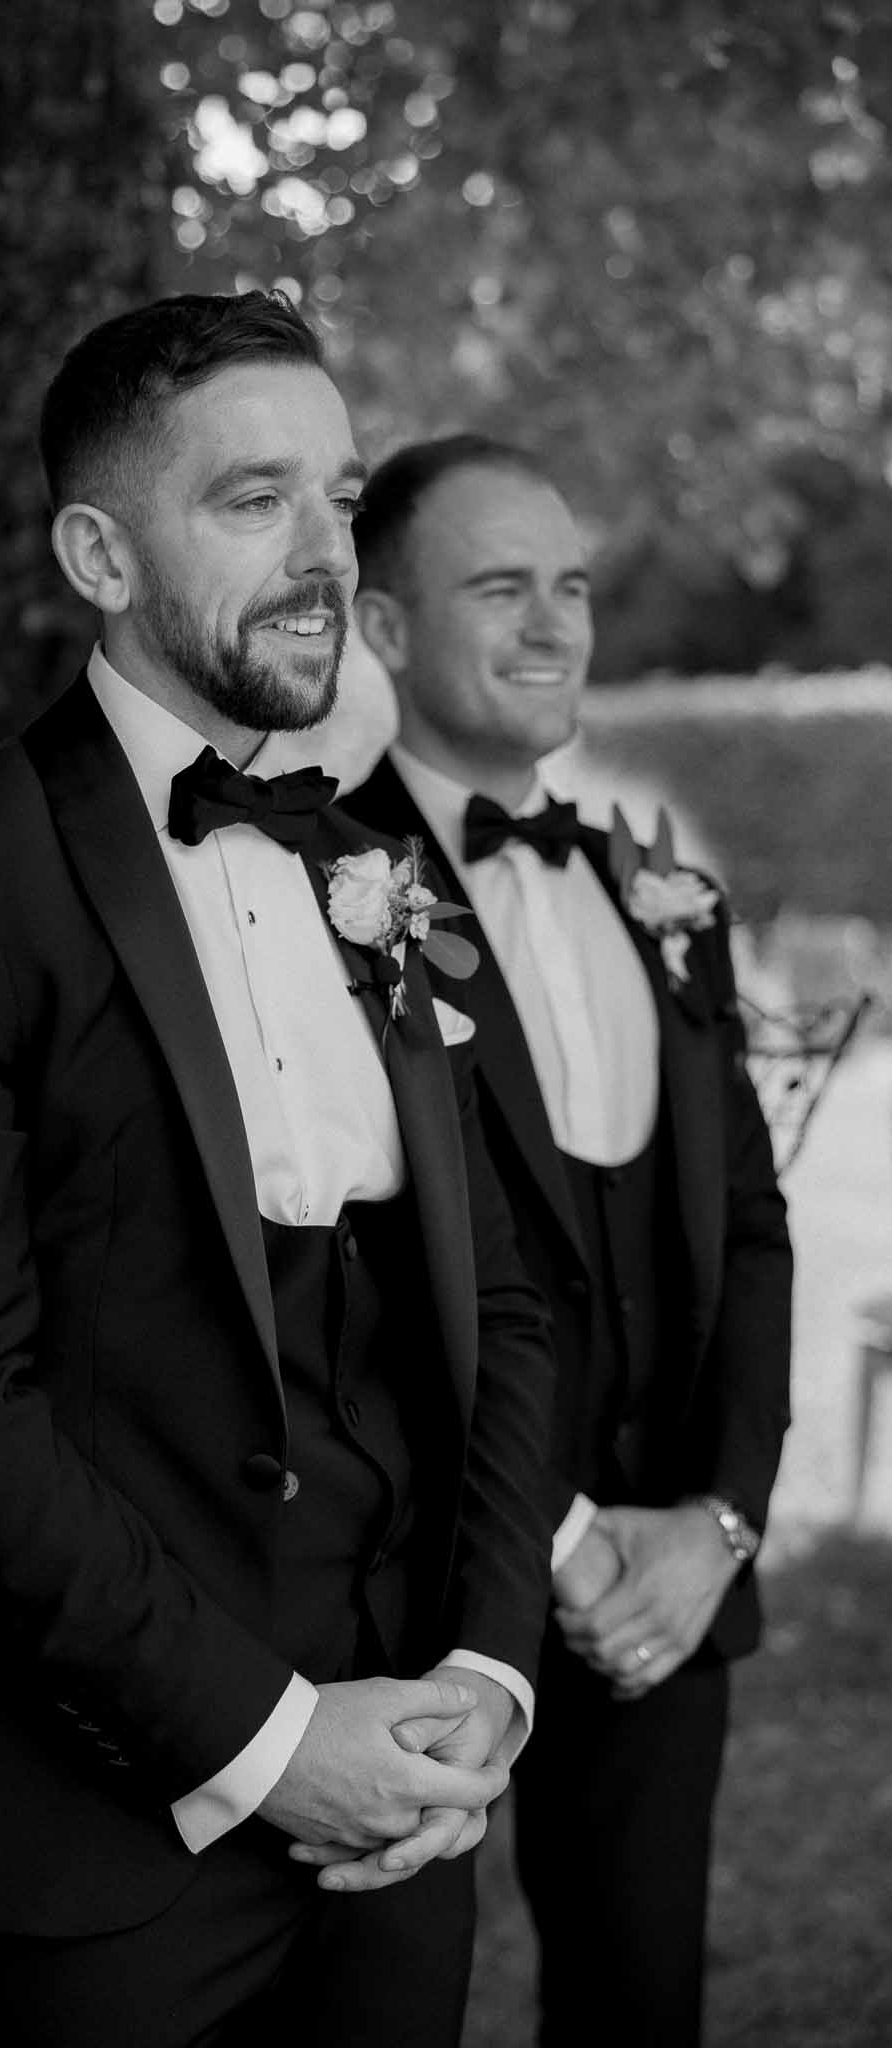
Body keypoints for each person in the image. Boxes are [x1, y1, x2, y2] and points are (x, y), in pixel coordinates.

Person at [0, 299, 558, 2048]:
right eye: (253, 502)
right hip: (90, 1847)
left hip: (405, 1824)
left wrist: (485, 1680)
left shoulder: (381, 877)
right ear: (98, 553)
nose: (323, 561)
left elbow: (497, 1307)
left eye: (342, 502)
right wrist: (275, 1746)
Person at [345, 434, 794, 2047]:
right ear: (385, 629)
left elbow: (747, 1226)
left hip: (670, 1596)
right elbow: (360, 1282)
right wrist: (562, 1539)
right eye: (496, 587)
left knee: (639, 2001)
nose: (552, 625)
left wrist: (718, 1522)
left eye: (571, 587)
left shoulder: (659, 896)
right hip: (421, 1591)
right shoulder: (327, 891)